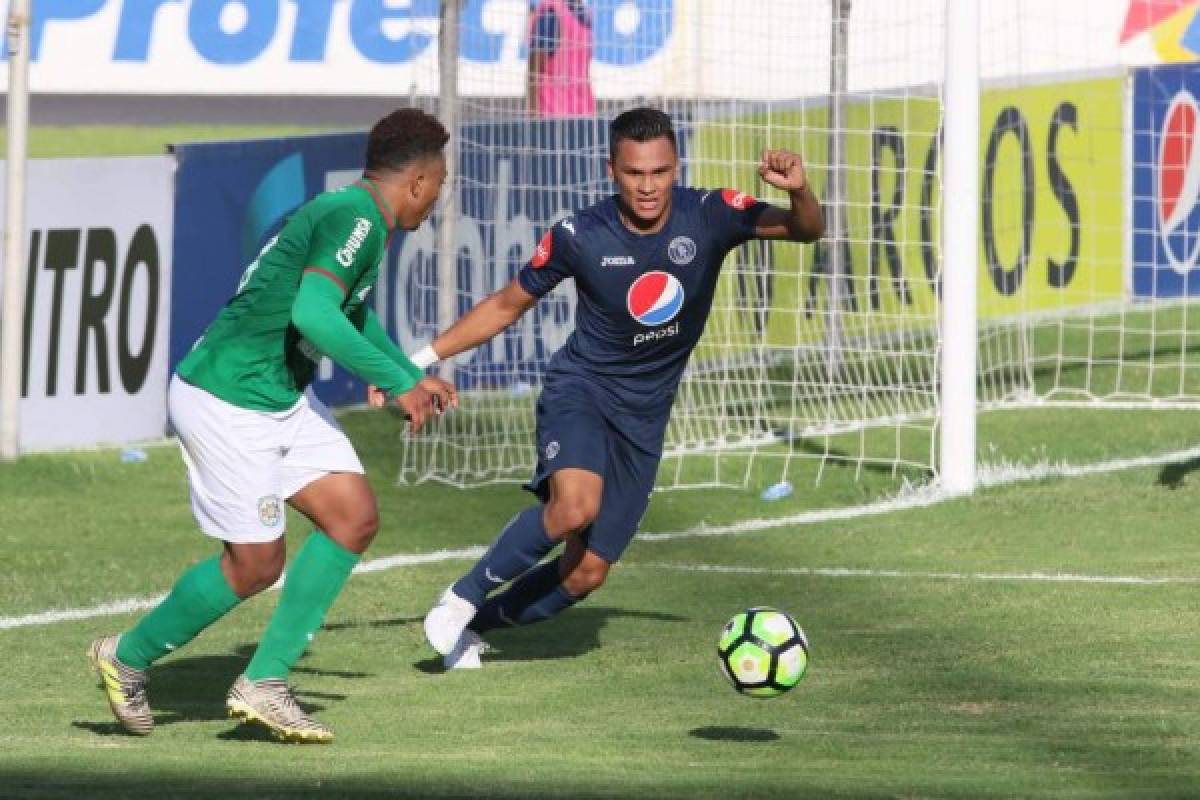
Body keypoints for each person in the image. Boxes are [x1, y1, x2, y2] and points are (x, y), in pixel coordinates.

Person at [88, 108, 457, 744]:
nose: (439, 196)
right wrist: (398, 383)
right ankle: (126, 657)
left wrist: (405, 371)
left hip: (278, 396)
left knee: (353, 517)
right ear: (420, 181)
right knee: (257, 562)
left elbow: (350, 313)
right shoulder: (357, 217)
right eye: (441, 182)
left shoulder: (357, 213)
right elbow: (315, 313)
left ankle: (264, 683)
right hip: (227, 397)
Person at [416, 107, 823, 669]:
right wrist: (422, 358)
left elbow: (806, 229)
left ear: (676, 167)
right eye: (635, 174)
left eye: (659, 172)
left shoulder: (710, 214)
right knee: (573, 508)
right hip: (581, 391)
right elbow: (507, 305)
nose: (648, 186)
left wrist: (800, 191)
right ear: (612, 169)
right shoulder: (579, 235)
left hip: (644, 417)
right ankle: (462, 595)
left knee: (586, 574)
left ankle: (471, 629)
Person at [527, 0, 595, 118]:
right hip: (552, 117)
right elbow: (534, 72)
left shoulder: (584, 16)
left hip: (583, 114)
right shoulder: (551, 13)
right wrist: (533, 118)